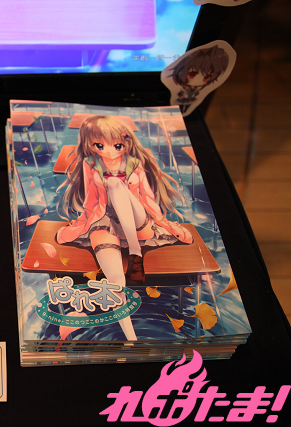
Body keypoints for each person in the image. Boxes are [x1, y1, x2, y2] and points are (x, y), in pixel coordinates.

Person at [56, 115, 192, 340]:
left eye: (117, 145)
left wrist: (164, 222)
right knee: (115, 282)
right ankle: (132, 339)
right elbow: (91, 202)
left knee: (115, 183)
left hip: (137, 222)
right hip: (105, 221)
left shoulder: (134, 164)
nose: (109, 151)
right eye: (100, 145)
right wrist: (80, 225)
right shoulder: (90, 164)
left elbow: (147, 198)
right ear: (90, 144)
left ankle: (136, 253)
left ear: (126, 143)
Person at [167, 45, 230, 113]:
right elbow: (180, 92)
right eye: (192, 74)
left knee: (185, 110)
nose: (199, 79)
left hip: (190, 101)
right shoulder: (182, 87)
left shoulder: (195, 89)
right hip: (180, 99)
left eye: (207, 77)